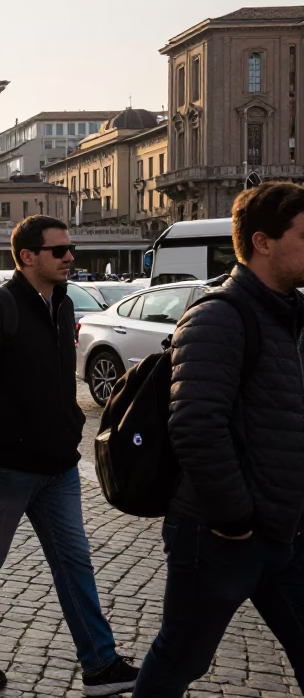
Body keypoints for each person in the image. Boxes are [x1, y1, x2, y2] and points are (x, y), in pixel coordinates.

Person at [0, 216, 139, 694]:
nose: (70, 257)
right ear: (28, 256)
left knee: (75, 562)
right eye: (59, 250)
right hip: (7, 468)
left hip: (58, 466)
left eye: (71, 248)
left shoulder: (64, 304)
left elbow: (55, 379)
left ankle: (99, 663)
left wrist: (70, 424)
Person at [133, 183, 304, 697]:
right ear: (263, 242)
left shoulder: (293, 319)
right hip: (220, 535)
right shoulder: (218, 316)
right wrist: (235, 518)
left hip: (287, 532)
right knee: (179, 660)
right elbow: (195, 424)